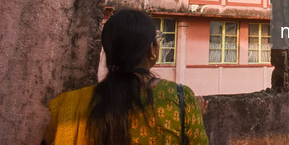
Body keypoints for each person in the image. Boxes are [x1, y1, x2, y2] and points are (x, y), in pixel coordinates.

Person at [44, 9, 209, 144]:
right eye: (157, 39)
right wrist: (192, 117)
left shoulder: (71, 103)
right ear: (151, 50)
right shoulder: (180, 99)